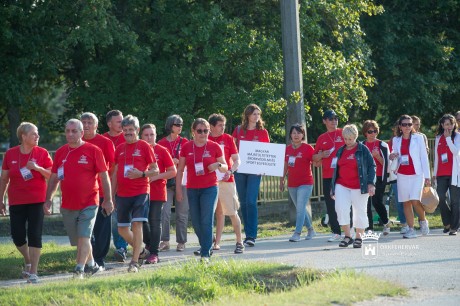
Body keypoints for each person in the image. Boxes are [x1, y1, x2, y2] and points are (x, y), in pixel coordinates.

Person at [44, 119, 113, 279]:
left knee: (84, 235)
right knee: (78, 240)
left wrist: (108, 199)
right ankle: (91, 264)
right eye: (67, 131)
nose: (70, 134)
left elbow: (104, 177)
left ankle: (79, 269)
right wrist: (48, 200)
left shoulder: (93, 150)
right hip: (68, 203)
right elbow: (54, 178)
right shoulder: (61, 152)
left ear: (82, 133)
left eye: (74, 131)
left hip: (90, 201)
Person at [0, 122, 52, 284]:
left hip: (37, 200)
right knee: (17, 236)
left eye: (37, 134)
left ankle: (34, 272)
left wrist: (37, 168)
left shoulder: (42, 153)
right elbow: (4, 178)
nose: (37, 136)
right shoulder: (10, 154)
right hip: (16, 201)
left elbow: (52, 175)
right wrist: (0, 199)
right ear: (23, 136)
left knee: (35, 235)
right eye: (34, 134)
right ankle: (28, 260)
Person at [111, 115, 159, 272]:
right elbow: (115, 173)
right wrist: (111, 196)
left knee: (137, 224)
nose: (128, 133)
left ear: (137, 130)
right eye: (125, 130)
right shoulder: (119, 149)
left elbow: (155, 170)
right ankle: (142, 251)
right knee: (122, 229)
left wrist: (142, 174)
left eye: (131, 130)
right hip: (122, 194)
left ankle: (134, 261)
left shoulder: (144, 146)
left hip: (141, 191)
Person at [176, 118, 228, 261]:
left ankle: (205, 253)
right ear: (193, 132)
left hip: (210, 188)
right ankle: (207, 240)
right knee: (197, 222)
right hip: (192, 189)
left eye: (206, 131)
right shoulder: (187, 147)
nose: (203, 133)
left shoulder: (214, 146)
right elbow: (180, 170)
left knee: (206, 220)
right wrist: (179, 190)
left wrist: (217, 164)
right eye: (199, 131)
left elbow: (225, 166)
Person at [80, 112, 115, 270]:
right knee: (86, 230)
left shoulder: (105, 142)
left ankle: (99, 259)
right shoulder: (76, 143)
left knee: (101, 228)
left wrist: (110, 193)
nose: (86, 125)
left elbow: (113, 167)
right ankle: (88, 260)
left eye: (89, 122)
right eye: (84, 122)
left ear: (96, 125)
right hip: (81, 194)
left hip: (101, 192)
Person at [331, 124, 376, 248]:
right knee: (341, 208)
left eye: (350, 139)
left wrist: (371, 183)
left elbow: (372, 166)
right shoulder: (340, 150)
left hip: (359, 186)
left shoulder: (363, 149)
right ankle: (347, 236)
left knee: (360, 211)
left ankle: (359, 237)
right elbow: (335, 170)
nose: (347, 141)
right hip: (342, 184)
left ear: (355, 137)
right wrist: (333, 188)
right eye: (345, 139)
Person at [232, 104, 270, 247]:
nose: (256, 116)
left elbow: (267, 152)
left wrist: (265, 167)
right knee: (243, 202)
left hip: (255, 171)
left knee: (251, 201)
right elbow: (232, 148)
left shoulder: (263, 132)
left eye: (258, 114)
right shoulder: (238, 130)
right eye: (254, 114)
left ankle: (251, 235)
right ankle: (246, 233)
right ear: (247, 115)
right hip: (240, 170)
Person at [140, 124, 176, 264]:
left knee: (155, 221)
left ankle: (154, 252)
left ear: (155, 135)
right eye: (146, 135)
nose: (149, 138)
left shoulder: (162, 150)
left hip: (157, 192)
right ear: (141, 136)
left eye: (152, 135)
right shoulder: (138, 149)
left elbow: (172, 171)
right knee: (141, 221)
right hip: (140, 191)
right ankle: (149, 244)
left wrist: (155, 177)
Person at [390, 115, 431, 239]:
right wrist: (392, 155)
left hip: (417, 174)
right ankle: (411, 229)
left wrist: (428, 176)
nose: (407, 127)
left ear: (412, 125)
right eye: (404, 124)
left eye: (409, 124)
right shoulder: (396, 139)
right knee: (406, 202)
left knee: (415, 200)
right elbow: (393, 152)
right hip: (402, 174)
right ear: (400, 126)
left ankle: (423, 221)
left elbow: (424, 157)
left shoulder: (418, 138)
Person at [208, 114, 244, 254]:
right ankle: (216, 243)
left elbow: (237, 160)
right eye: (220, 125)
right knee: (218, 213)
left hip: (226, 180)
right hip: (211, 182)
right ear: (211, 126)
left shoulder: (228, 138)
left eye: (224, 125)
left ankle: (239, 241)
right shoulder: (206, 139)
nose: (223, 127)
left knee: (232, 212)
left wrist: (230, 171)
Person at [312, 110, 346, 242]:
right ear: (324, 121)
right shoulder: (322, 138)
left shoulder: (343, 132)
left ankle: (351, 230)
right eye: (331, 119)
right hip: (328, 176)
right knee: (331, 205)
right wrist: (321, 155)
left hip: (344, 174)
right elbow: (315, 160)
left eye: (336, 118)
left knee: (346, 203)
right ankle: (336, 232)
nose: (334, 121)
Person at [157, 115, 189, 252]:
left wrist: (179, 161)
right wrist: (171, 161)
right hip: (167, 181)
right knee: (165, 212)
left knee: (182, 213)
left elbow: (190, 160)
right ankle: (165, 241)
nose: (180, 126)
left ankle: (181, 242)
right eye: (177, 124)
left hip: (181, 181)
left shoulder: (185, 142)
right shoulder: (161, 143)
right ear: (170, 125)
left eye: (181, 124)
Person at [280, 124, 316, 242]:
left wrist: (321, 156)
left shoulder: (308, 148)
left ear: (302, 135)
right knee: (300, 208)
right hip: (292, 184)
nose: (296, 135)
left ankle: (297, 233)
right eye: (294, 133)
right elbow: (285, 165)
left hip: (306, 183)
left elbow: (316, 161)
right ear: (290, 135)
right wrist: (282, 180)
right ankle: (311, 230)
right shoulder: (288, 149)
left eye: (299, 133)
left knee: (300, 208)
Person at [103, 110, 128, 262]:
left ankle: (121, 248)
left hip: (124, 186)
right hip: (104, 185)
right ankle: (100, 248)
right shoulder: (103, 139)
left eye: (122, 121)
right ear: (109, 124)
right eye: (119, 121)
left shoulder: (127, 137)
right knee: (108, 220)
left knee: (120, 220)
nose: (122, 124)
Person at [362, 120, 391, 235]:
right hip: (365, 178)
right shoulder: (362, 145)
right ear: (365, 132)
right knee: (366, 203)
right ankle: (370, 228)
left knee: (377, 202)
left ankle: (386, 222)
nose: (372, 134)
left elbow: (387, 164)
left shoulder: (382, 145)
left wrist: (377, 156)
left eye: (374, 131)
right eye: (370, 131)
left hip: (379, 177)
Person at [433, 114, 460, 235]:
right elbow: (437, 157)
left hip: (455, 173)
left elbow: (455, 152)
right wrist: (434, 173)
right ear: (442, 125)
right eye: (446, 124)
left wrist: (449, 138)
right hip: (441, 174)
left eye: (451, 124)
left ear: (454, 125)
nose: (448, 126)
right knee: (440, 198)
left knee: (455, 201)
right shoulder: (438, 137)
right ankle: (447, 222)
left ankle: (454, 227)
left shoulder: (458, 136)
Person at [387, 121, 408, 234]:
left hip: (410, 174)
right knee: (400, 201)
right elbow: (388, 157)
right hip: (395, 175)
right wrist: (391, 156)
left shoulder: (413, 139)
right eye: (400, 126)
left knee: (411, 200)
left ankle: (418, 221)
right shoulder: (393, 141)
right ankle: (404, 224)